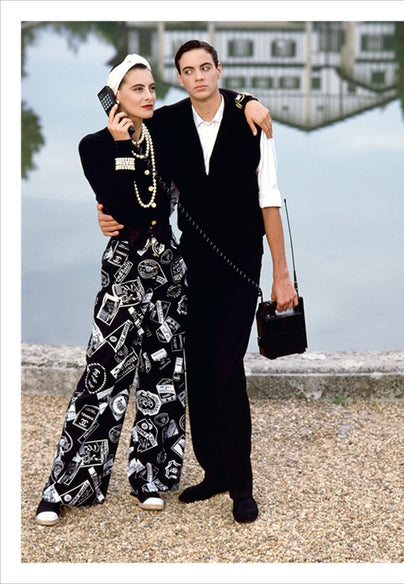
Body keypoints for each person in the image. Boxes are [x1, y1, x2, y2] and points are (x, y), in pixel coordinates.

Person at [98, 40, 298, 524]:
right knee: (200, 370)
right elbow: (121, 128)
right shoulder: (165, 123)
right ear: (181, 78)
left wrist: (281, 272)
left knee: (229, 369)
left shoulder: (252, 123)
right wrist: (104, 209)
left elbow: (269, 200)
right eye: (188, 71)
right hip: (189, 263)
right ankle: (215, 471)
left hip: (240, 262)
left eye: (206, 68)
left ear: (218, 70)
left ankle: (242, 485)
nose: (199, 77)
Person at [35, 55, 187, 526]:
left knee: (162, 374)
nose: (147, 95)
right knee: (102, 373)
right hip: (124, 267)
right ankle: (68, 484)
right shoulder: (94, 146)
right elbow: (122, 206)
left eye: (151, 87)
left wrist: (248, 101)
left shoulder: (165, 135)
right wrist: (121, 143)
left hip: (167, 268)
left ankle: (152, 477)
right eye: (135, 88)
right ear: (114, 97)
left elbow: (211, 101)